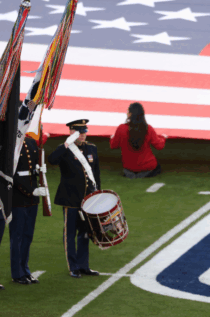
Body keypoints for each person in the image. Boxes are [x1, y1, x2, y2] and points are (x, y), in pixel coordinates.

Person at [49, 119, 101, 278]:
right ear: (72, 132)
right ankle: (73, 266)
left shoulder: (91, 148)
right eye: (80, 132)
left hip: (87, 199)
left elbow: (95, 174)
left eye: (85, 131)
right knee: (70, 234)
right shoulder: (64, 149)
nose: (84, 135)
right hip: (70, 199)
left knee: (86, 233)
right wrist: (65, 145)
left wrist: (98, 194)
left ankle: (84, 265)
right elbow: (52, 160)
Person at [10, 132, 49, 285]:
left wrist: (41, 169)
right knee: (17, 236)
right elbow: (12, 173)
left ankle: (25, 270)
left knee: (27, 236)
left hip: (32, 197)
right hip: (18, 197)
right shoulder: (12, 143)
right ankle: (17, 273)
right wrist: (30, 190)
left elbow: (33, 169)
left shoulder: (32, 143)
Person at [109, 102, 167, 178]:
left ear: (129, 114)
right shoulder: (148, 128)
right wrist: (163, 138)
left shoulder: (121, 128)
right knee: (157, 165)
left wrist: (112, 138)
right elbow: (159, 146)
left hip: (129, 169)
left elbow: (113, 145)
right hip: (147, 168)